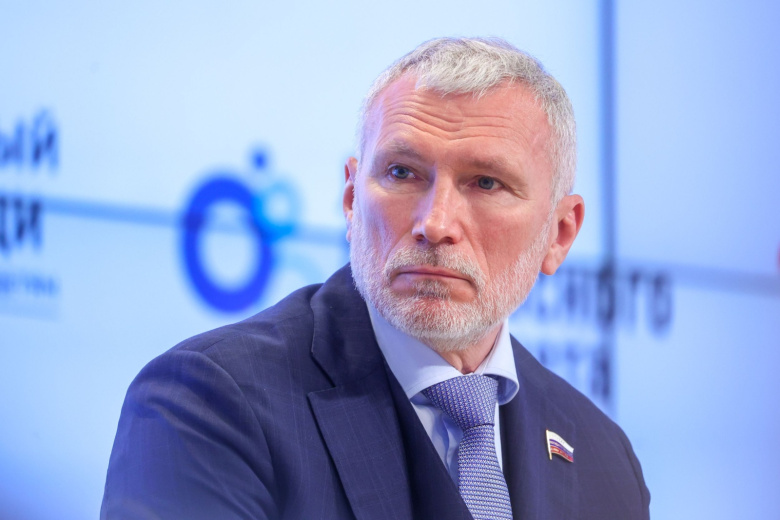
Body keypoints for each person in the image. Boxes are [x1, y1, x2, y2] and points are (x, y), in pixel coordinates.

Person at [102, 37, 650, 520]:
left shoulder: (604, 458)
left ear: (559, 233)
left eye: (485, 183)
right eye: (402, 173)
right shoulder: (212, 402)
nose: (435, 223)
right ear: (350, 200)